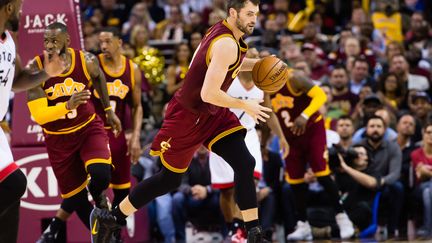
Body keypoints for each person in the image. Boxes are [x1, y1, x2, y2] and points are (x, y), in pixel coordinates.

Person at [91, 1, 273, 242]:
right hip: (189, 115)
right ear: (233, 12)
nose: (254, 19)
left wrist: (258, 65)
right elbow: (208, 93)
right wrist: (245, 104)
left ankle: (253, 232)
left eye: (256, 14)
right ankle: (112, 218)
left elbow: (227, 66)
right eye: (249, 14)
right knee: (169, 179)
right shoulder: (226, 43)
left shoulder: (225, 32)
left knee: (244, 163)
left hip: (213, 113)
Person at [37, 27, 142, 242]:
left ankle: (112, 234)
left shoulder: (132, 70)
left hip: (113, 131)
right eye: (100, 42)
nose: (103, 47)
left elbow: (137, 105)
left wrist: (136, 134)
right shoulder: (91, 61)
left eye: (107, 42)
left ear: (119, 42)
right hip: (83, 128)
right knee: (76, 192)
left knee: (119, 188)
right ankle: (95, 233)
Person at [0, 1, 66, 242]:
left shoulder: (7, 40)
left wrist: (48, 73)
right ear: (8, 8)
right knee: (15, 183)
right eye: (18, 6)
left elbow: (16, 80)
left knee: (11, 197)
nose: (20, 12)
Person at [208, 48, 288, 242]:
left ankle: (240, 230)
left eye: (256, 54)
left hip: (248, 134)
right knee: (226, 190)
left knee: (249, 182)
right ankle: (231, 229)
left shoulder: (263, 82)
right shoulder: (227, 77)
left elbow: (268, 113)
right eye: (249, 54)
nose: (253, 57)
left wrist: (282, 137)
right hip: (222, 134)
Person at [268, 66, 355, 240]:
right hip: (290, 136)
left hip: (312, 129)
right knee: (295, 181)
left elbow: (321, 95)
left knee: (321, 172)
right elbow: (268, 115)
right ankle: (303, 224)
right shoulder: (263, 88)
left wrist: (305, 115)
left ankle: (343, 218)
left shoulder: (294, 78)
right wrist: (273, 140)